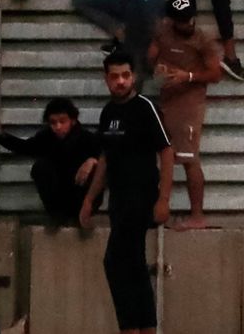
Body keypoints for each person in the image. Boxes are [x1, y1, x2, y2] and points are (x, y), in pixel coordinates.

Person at [80, 51, 173, 334]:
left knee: (116, 261)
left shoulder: (146, 107)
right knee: (132, 263)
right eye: (114, 76)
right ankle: (145, 327)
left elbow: (167, 152)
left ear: (133, 76)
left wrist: (164, 199)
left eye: (125, 76)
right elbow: (106, 158)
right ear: (106, 78)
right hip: (118, 199)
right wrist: (89, 199)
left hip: (141, 196)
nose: (120, 82)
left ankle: (131, 328)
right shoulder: (108, 112)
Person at [147, 0, 222, 230]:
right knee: (162, 155)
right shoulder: (162, 31)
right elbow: (150, 55)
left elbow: (215, 74)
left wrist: (188, 76)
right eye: (181, 20)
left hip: (189, 104)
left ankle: (197, 215)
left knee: (189, 158)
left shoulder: (203, 39)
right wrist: (155, 66)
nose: (187, 24)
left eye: (189, 19)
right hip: (165, 100)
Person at [0, 97, 99, 223]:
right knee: (40, 167)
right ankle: (58, 216)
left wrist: (92, 161)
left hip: (83, 199)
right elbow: (25, 147)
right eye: (53, 123)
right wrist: (1, 135)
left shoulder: (86, 139)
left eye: (62, 121)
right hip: (60, 200)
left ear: (73, 121)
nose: (58, 127)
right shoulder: (46, 137)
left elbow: (106, 157)